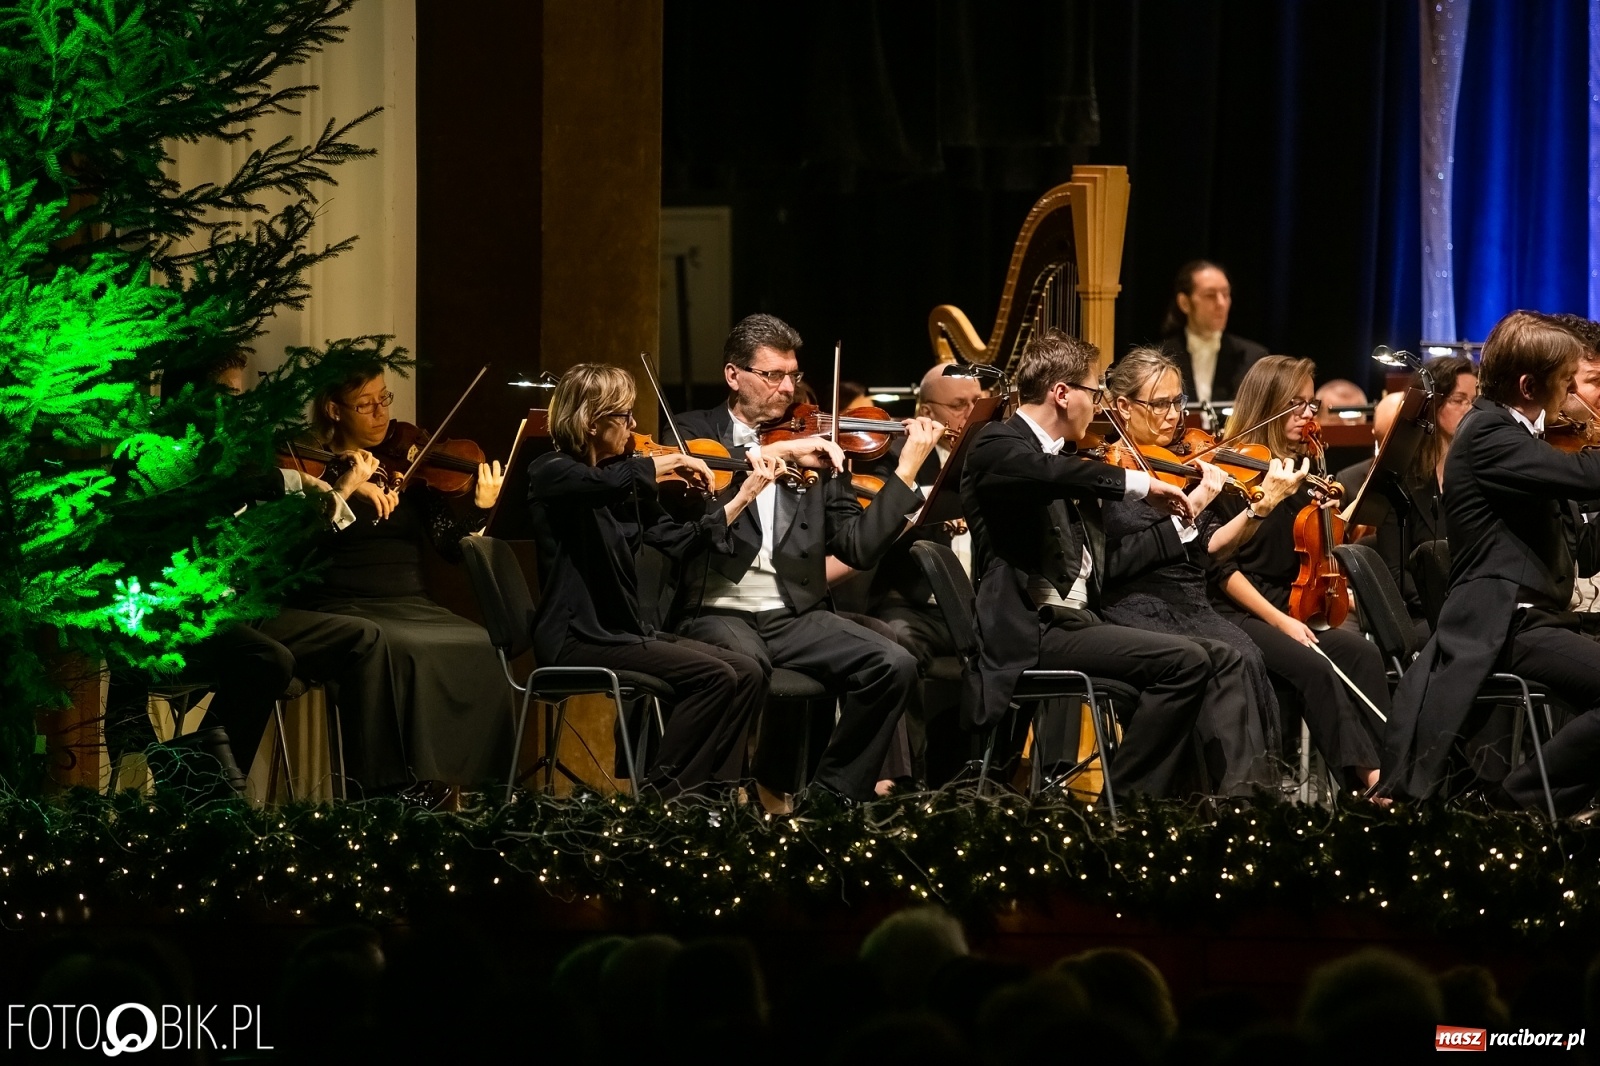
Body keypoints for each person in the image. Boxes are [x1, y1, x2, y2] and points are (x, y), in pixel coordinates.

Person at [670, 313, 944, 803]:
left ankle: (831, 796)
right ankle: (714, 802)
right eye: (772, 375)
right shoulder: (690, 431)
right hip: (716, 610)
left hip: (791, 612)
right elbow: (701, 499)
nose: (786, 387)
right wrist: (790, 452)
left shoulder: (822, 442)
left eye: (791, 375)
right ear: (734, 376)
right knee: (742, 666)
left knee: (893, 663)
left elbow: (855, 546)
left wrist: (905, 473)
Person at [960, 327, 1213, 799]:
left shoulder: (1066, 457)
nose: (1098, 406)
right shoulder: (996, 444)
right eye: (1094, 392)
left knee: (1208, 656)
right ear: (1061, 393)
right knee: (1186, 661)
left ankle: (1184, 806)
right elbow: (1046, 473)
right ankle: (1130, 805)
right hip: (1032, 630)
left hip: (1077, 622)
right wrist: (1141, 484)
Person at [525, 363, 777, 797]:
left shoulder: (621, 486)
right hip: (577, 637)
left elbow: (679, 542)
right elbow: (596, 484)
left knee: (748, 670)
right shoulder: (552, 471)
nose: (634, 426)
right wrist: (667, 462)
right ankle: (667, 798)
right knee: (714, 676)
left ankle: (714, 798)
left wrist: (742, 496)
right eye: (624, 416)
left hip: (621, 631)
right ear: (590, 422)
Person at [1383, 311, 1600, 814]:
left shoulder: (1524, 439)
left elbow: (1584, 551)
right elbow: (1589, 476)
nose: (1573, 399)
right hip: (1503, 623)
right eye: (1566, 384)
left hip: (1536, 619)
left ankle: (1544, 807)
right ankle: (1514, 804)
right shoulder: (1487, 434)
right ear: (1528, 385)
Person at [292, 360, 512, 793]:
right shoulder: (313, 468)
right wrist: (344, 490)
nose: (380, 414)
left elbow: (450, 547)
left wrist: (481, 507)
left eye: (384, 399)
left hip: (411, 601)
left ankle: (477, 785)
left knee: (485, 645)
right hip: (345, 601)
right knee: (405, 649)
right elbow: (297, 547)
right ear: (334, 410)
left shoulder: (409, 466)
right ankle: (400, 787)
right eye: (365, 404)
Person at [1099, 346, 1307, 795]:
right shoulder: (1105, 472)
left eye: (1178, 402)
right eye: (1160, 404)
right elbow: (1112, 562)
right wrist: (1187, 510)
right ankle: (1217, 797)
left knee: (1246, 653)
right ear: (1121, 407)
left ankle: (1248, 798)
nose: (1174, 415)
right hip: (1135, 603)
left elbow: (1213, 546)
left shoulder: (1179, 464)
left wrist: (1260, 508)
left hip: (1188, 599)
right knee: (1224, 655)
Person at [1206, 356, 1389, 793]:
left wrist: (1330, 520)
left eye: (1311, 404)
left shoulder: (1303, 476)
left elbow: (1312, 557)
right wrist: (1281, 621)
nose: (1309, 414)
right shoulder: (1233, 473)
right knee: (1314, 667)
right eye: (1296, 404)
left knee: (1361, 654)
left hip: (1290, 606)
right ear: (1268, 405)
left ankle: (1387, 770)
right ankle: (1370, 782)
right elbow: (1219, 569)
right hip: (1238, 609)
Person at [1373, 356, 1477, 624]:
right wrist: (1447, 608)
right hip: (1422, 616)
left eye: (1474, 401)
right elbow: (1395, 573)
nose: (1470, 409)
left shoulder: (1480, 474)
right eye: (1458, 400)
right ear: (1431, 405)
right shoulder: (1399, 478)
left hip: (1475, 609)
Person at [1158, 260, 1267, 405]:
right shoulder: (1160, 356)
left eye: (1226, 294)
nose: (1221, 303)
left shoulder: (1254, 358)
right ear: (1184, 303)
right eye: (1210, 295)